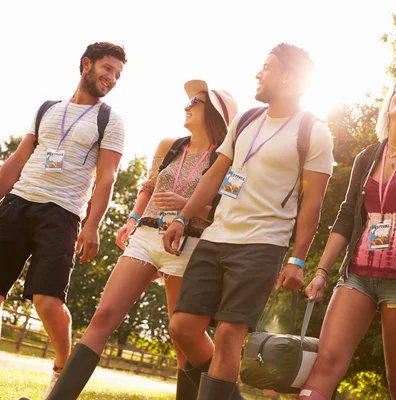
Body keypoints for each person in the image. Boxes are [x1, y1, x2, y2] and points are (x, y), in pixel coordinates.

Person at [44, 80, 238, 399]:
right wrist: (132, 219)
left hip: (187, 248)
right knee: (103, 316)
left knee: (183, 342)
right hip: (146, 237)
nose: (187, 105)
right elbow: (148, 188)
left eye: (195, 101)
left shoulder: (227, 160)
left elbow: (227, 213)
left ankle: (223, 393)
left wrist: (187, 207)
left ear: (216, 113)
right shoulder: (170, 145)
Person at [162, 43, 334, 399]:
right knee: (183, 327)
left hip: (262, 245)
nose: (258, 73)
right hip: (216, 236)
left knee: (228, 336)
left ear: (288, 77)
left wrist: (297, 259)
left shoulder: (314, 132)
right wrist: (183, 216)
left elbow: (313, 204)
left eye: (267, 67)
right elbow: (215, 175)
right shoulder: (246, 119)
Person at [299, 76, 396, 400]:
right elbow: (346, 214)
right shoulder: (367, 156)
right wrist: (322, 271)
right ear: (389, 102)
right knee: (324, 364)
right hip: (357, 276)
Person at [0, 42, 127, 398]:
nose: (112, 78)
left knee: (46, 301)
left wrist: (92, 225)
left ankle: (60, 368)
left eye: (117, 74)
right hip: (18, 202)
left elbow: (107, 177)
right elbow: (18, 159)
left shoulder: (110, 120)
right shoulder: (47, 109)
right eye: (107, 69)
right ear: (86, 64)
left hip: (62, 212)